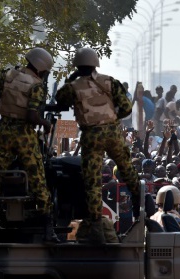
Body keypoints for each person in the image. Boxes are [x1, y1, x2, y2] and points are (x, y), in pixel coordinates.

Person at [55, 47, 140, 244]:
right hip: (112, 131)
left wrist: (71, 79)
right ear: (95, 64)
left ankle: (95, 225)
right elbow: (127, 107)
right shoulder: (109, 81)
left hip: (91, 134)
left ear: (77, 66)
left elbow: (60, 99)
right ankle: (141, 201)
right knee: (126, 167)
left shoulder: (73, 86)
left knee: (92, 181)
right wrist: (111, 118)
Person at [0, 47, 59, 243]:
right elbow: (33, 117)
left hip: (5, 133)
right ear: (42, 69)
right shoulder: (37, 86)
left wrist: (5, 98)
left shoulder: (7, 74)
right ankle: (48, 229)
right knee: (38, 179)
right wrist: (45, 123)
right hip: (24, 136)